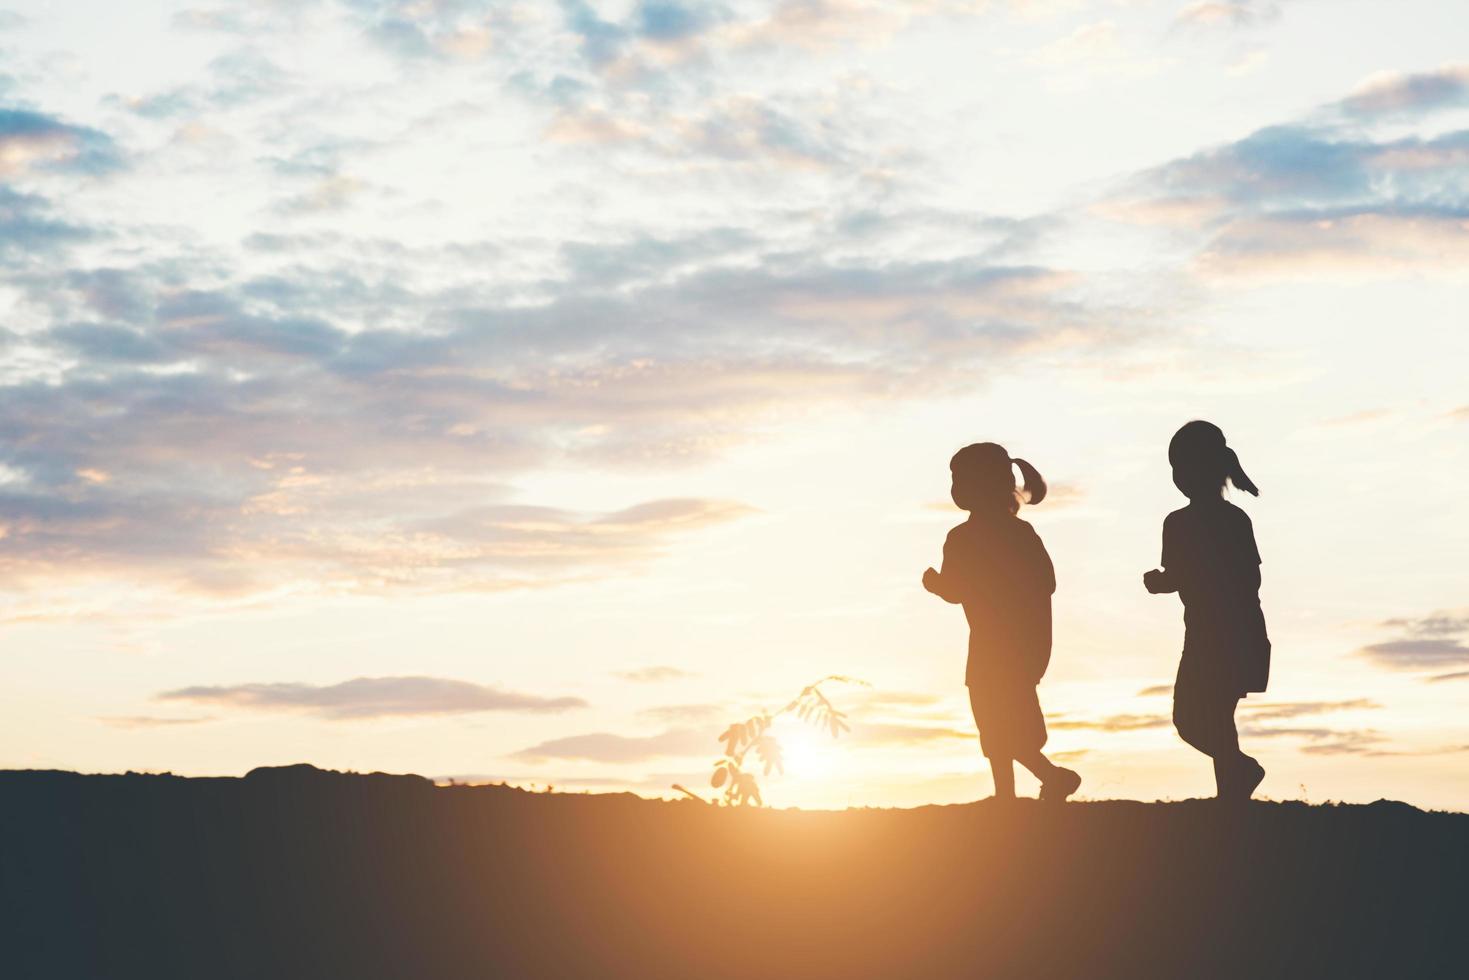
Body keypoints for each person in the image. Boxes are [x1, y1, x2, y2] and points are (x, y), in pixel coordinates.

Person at [923, 442, 1081, 802]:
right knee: (1001, 721)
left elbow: (955, 590)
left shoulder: (963, 538)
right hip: (1022, 645)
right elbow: (1047, 583)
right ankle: (1012, 792)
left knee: (997, 722)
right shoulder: (1020, 533)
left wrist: (934, 584)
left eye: (959, 480)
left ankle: (1044, 779)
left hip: (995, 647)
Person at [1143, 420, 1270, 801]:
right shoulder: (1229, 519)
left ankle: (1238, 774)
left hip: (1219, 633)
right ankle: (1233, 787)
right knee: (1213, 716)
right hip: (1226, 630)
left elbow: (1183, 576)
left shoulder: (1185, 523)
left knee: (1194, 719)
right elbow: (1246, 578)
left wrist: (1159, 582)